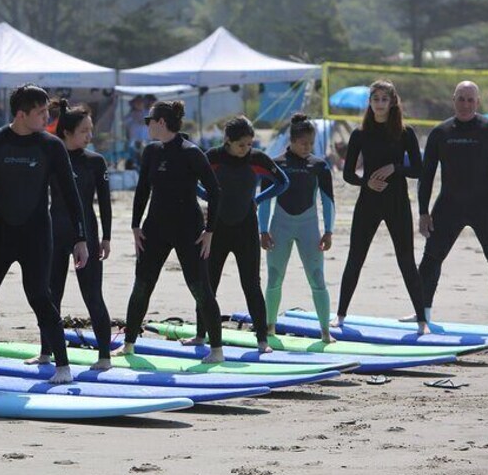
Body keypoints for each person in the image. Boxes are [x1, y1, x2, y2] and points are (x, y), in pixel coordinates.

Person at [0, 84, 89, 384]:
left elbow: (70, 194)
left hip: (36, 234)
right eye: (40, 112)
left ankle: (62, 367)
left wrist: (80, 238)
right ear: (22, 114)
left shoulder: (51, 146)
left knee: (40, 297)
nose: (47, 117)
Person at [114, 100, 226, 363]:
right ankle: (129, 344)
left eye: (148, 121)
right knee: (142, 285)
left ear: (161, 122)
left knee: (200, 288)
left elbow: (215, 191)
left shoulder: (191, 152)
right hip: (155, 229)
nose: (147, 125)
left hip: (189, 230)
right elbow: (142, 190)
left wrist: (210, 231)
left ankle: (217, 351)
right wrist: (135, 225)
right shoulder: (151, 152)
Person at [182, 115, 289, 352]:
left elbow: (282, 182)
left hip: (246, 229)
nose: (246, 149)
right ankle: (201, 335)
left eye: (250, 144)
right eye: (242, 144)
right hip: (216, 229)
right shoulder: (213, 157)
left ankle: (262, 340)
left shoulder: (257, 159)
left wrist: (257, 200)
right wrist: (206, 195)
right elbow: (189, 178)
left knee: (251, 284)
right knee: (208, 284)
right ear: (228, 141)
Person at [334, 80, 429, 335]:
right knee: (356, 256)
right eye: (375, 99)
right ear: (370, 102)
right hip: (368, 202)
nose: (379, 104)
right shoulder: (360, 134)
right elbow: (347, 174)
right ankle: (340, 315)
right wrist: (367, 182)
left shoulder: (405, 133)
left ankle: (422, 321)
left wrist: (395, 168)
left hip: (397, 201)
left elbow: (418, 170)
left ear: (392, 101)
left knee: (406, 260)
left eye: (384, 99)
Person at [417, 81, 488, 329]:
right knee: (431, 258)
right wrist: (423, 211)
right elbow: (426, 175)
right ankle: (423, 314)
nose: (465, 104)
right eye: (461, 98)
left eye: (470, 99)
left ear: (477, 102)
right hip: (449, 206)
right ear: (453, 100)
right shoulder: (440, 132)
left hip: (487, 207)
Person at [26, 99, 113, 370]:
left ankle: (104, 357)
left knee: (92, 295)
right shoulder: (50, 158)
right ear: (66, 132)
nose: (90, 136)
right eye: (84, 131)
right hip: (52, 233)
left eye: (91, 130)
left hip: (86, 234)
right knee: (50, 296)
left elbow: (106, 203)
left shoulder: (95, 162)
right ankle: (45, 352)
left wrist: (106, 238)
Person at [258, 114, 335, 343]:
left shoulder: (319, 166)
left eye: (311, 143)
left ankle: (325, 332)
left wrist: (329, 231)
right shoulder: (275, 164)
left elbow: (328, 200)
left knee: (317, 279)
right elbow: (264, 200)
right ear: (291, 140)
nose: (307, 147)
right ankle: (270, 328)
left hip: (308, 226)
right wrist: (263, 230)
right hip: (279, 226)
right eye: (303, 143)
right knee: (274, 278)